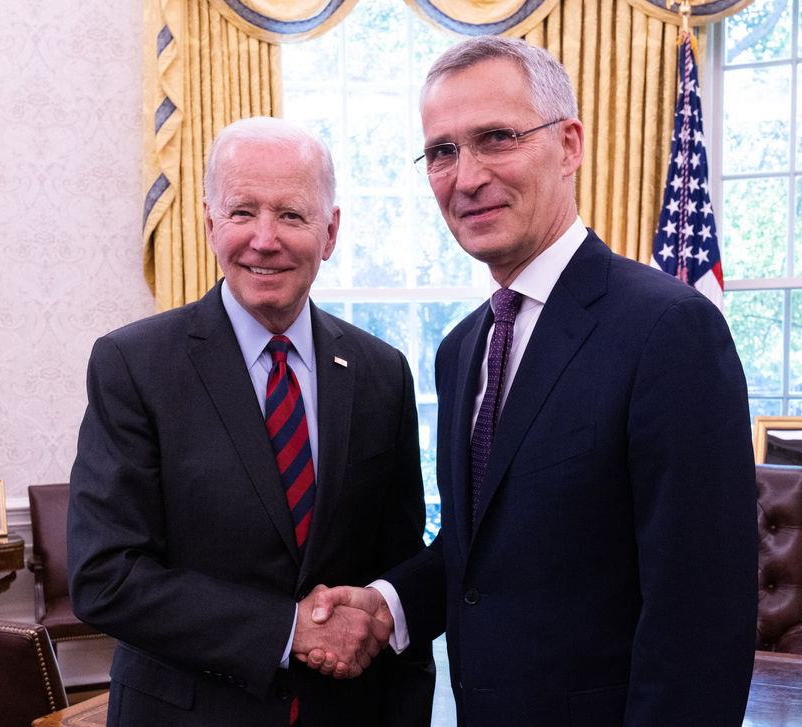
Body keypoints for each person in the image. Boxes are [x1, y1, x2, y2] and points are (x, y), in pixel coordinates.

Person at [305, 36, 757, 726]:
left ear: (569, 144)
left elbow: (700, 614)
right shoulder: (461, 350)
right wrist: (389, 605)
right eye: (442, 152)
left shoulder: (668, 329)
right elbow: (488, 555)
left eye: (496, 138)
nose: (467, 176)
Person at [68, 117, 435, 727]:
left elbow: (397, 558)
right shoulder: (132, 365)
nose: (264, 240)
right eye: (242, 212)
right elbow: (105, 576)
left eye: (291, 215)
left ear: (331, 231)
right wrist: (287, 631)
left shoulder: (381, 372)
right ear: (210, 224)